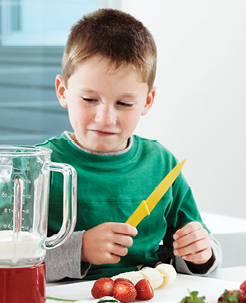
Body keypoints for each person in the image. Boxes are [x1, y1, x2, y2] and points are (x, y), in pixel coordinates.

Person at [40, 8, 222, 281]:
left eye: (124, 103)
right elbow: (6, 259)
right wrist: (80, 249)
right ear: (62, 91)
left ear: (147, 101)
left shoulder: (162, 164)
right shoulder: (36, 167)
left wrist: (201, 254)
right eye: (89, 99)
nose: (105, 118)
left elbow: (198, 250)